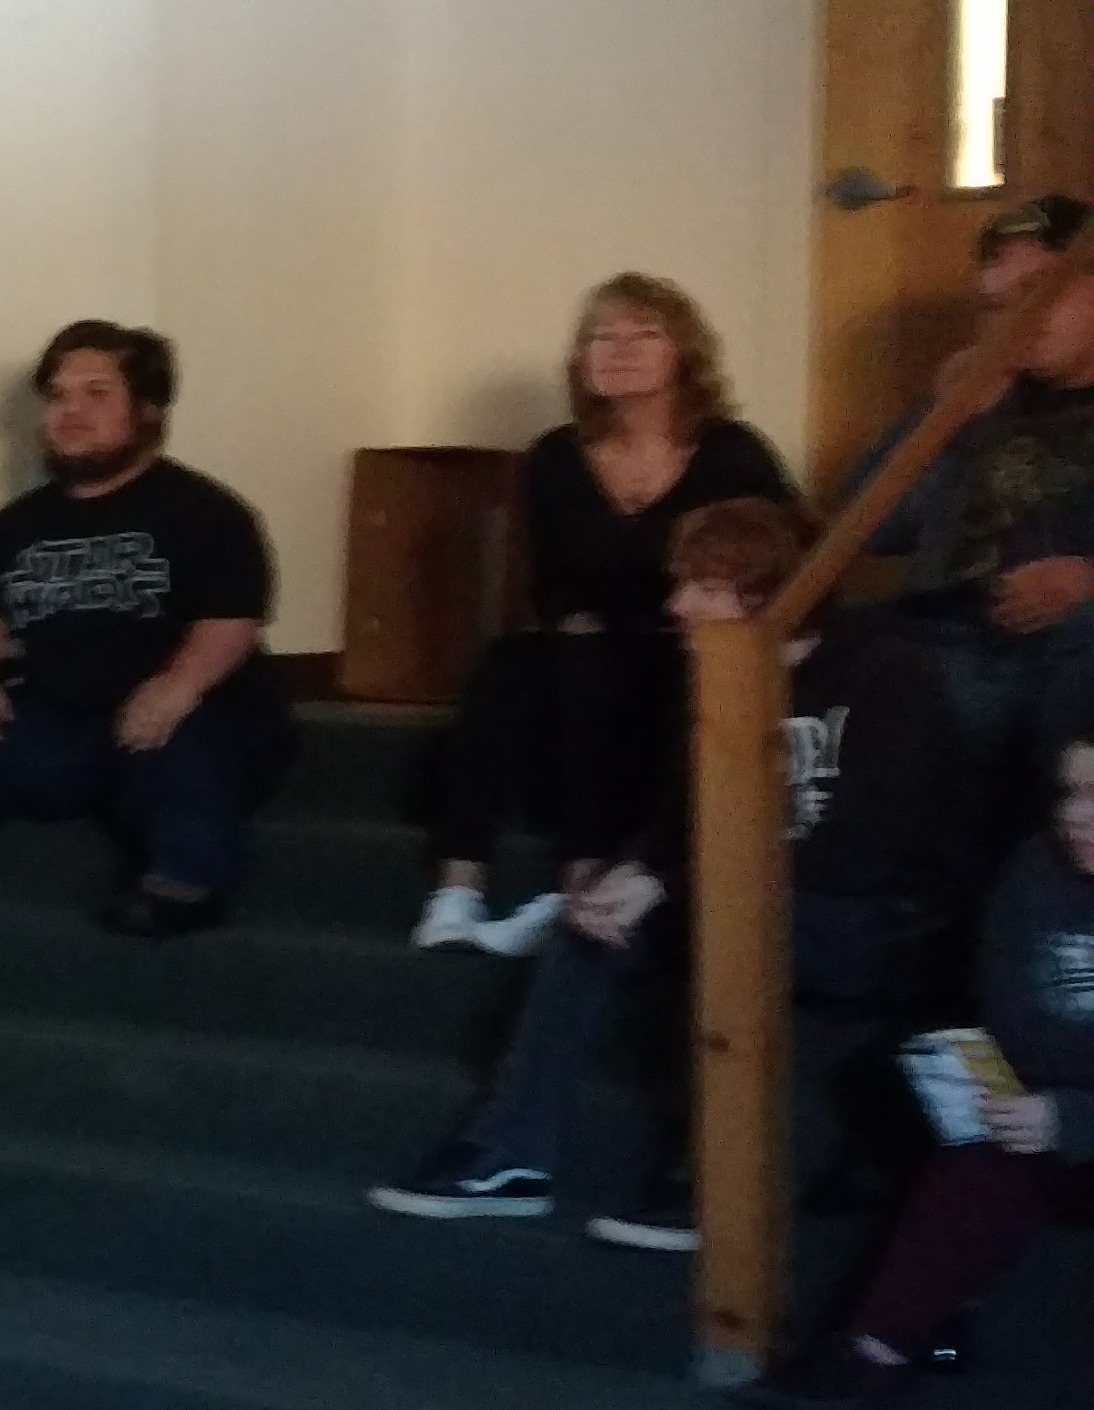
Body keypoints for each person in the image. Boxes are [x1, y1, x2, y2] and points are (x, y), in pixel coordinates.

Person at [371, 499, 965, 1241]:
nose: (677, 605)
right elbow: (674, 826)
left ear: (771, 596)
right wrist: (623, 881)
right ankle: (507, 1156)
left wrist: (667, 885)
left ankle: (717, 1189)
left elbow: (860, 855)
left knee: (739, 929)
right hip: (744, 896)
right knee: (587, 929)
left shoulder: (890, 678)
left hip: (871, 918)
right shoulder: (714, 674)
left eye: (705, 588)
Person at [0, 323, 286, 938]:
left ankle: (183, 883)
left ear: (148, 411)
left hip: (187, 710)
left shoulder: (208, 512)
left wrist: (178, 686)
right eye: (58, 395)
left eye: (96, 393)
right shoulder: (17, 524)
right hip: (64, 714)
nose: (70, 411)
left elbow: (231, 619)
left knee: (189, 754)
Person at [415, 278, 792, 953]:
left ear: (684, 353)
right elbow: (550, 577)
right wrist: (570, 618)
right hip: (590, 635)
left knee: (595, 671)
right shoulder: (557, 455)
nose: (619, 349)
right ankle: (457, 890)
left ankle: (581, 882)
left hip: (691, 644)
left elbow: (774, 561)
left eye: (644, 334)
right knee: (511, 665)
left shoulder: (734, 452)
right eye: (601, 337)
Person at [744, 735, 1094, 1410]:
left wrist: (1072, 1115)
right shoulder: (1037, 869)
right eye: (1071, 793)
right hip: (1036, 1109)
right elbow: (1011, 1013)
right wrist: (1035, 1100)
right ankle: (875, 1350)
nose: (1076, 814)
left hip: (1064, 1112)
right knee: (980, 1148)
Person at [848, 199, 1094, 794]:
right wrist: (947, 420)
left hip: (1050, 646)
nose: (1019, 317)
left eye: (1039, 290)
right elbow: (871, 529)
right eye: (995, 304)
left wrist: (1089, 579)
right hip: (934, 631)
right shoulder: (979, 395)